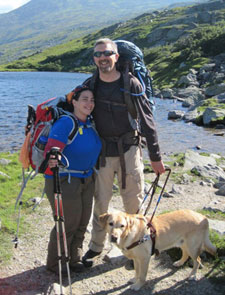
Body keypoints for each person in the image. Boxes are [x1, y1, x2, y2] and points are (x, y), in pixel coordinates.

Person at [82, 38, 165, 267]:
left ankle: (136, 247)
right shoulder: (91, 85)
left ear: (116, 57)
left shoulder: (132, 84)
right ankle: (96, 248)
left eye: (107, 53)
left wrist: (155, 158)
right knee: (101, 205)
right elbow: (77, 109)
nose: (102, 57)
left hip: (130, 150)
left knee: (133, 204)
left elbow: (148, 123)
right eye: (98, 54)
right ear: (94, 58)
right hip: (103, 152)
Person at [44, 85, 102, 274]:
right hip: (64, 179)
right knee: (67, 223)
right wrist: (54, 156)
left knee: (82, 222)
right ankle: (56, 263)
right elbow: (51, 152)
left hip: (87, 178)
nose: (89, 103)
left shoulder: (90, 123)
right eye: (84, 99)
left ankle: (74, 259)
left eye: (92, 100)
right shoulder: (66, 123)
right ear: (74, 102)